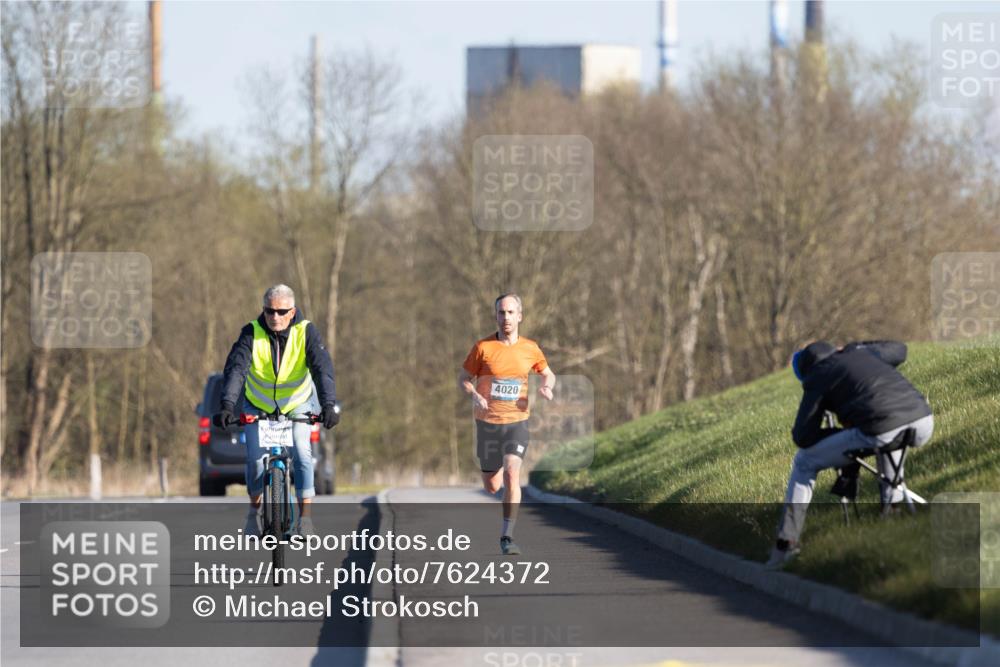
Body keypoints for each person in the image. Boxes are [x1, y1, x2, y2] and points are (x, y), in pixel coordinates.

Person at [767, 340, 934, 569]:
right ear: (834, 350)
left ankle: (786, 544)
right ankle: (892, 512)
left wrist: (837, 433)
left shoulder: (818, 375)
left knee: (804, 461)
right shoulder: (861, 353)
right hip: (924, 421)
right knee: (886, 434)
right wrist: (858, 346)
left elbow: (802, 436)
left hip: (883, 428)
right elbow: (899, 349)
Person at [213, 284, 339, 537]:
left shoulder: (306, 332)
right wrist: (227, 406)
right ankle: (253, 514)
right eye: (269, 311)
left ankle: (305, 519)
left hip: (297, 404)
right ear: (264, 310)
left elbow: (322, 369)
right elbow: (236, 370)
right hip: (258, 404)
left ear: (292, 311)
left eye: (281, 312)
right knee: (255, 461)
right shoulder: (251, 332)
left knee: (302, 453)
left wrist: (327, 405)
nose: (275, 317)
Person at [458, 294, 556, 556]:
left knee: (513, 473)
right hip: (488, 425)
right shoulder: (483, 348)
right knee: (492, 486)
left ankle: (507, 536)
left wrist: (547, 386)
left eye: (511, 312)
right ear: (496, 316)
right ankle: (496, 475)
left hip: (517, 422)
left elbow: (548, 373)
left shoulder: (530, 348)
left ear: (519, 316)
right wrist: (474, 394)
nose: (506, 318)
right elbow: (464, 378)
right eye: (501, 313)